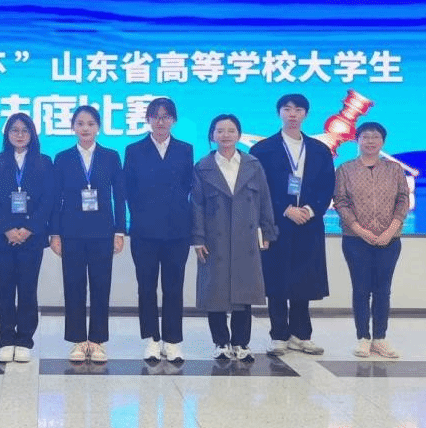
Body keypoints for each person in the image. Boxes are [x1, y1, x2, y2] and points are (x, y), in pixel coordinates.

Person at [247, 93, 335, 357]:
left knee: (303, 280)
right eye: (287, 109)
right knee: (276, 280)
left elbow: (327, 185)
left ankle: (301, 335)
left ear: (306, 114)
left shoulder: (319, 150)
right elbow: (258, 188)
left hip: (308, 223)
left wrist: (309, 209)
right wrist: (285, 209)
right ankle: (278, 335)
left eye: (298, 110)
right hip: (277, 223)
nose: (292, 114)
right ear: (279, 113)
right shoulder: (262, 150)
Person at [192, 114, 278, 363]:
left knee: (244, 291)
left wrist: (268, 230)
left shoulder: (253, 164)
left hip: (245, 236)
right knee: (215, 291)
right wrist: (198, 238)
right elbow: (196, 205)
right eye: (220, 131)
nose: (225, 135)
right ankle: (220, 342)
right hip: (214, 237)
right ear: (212, 135)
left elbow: (265, 199)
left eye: (231, 130)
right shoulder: (203, 167)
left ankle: (241, 342)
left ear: (239, 135)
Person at [49, 105, 126, 364]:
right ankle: (78, 340)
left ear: (98, 128)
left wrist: (119, 230)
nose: (85, 128)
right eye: (80, 123)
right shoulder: (62, 158)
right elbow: (55, 198)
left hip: (103, 231)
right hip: (71, 231)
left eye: (90, 124)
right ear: (73, 127)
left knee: (101, 286)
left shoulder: (111, 156)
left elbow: (120, 196)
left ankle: (98, 340)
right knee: (74, 286)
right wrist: (55, 233)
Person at [124, 97, 193, 363]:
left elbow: (187, 186)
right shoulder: (134, 150)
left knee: (174, 287)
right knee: (146, 287)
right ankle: (152, 339)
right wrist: (142, 216)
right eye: (155, 116)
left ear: (173, 120)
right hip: (144, 232)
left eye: (166, 116)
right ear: (148, 119)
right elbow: (129, 189)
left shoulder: (185, 149)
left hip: (177, 231)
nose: (160, 121)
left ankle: (173, 340)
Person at [332, 122, 409, 359]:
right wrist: (359, 229)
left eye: (375, 137)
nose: (370, 141)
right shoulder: (345, 169)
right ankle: (363, 338)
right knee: (361, 289)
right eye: (365, 137)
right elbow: (341, 201)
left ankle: (380, 339)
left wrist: (391, 230)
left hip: (389, 239)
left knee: (383, 290)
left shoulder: (394, 169)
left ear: (382, 141)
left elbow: (403, 200)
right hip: (355, 239)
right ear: (357, 141)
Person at [0, 112, 54, 364]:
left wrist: (29, 228)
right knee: (3, 288)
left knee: (27, 288)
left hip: (31, 237)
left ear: (32, 134)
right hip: (1, 236)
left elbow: (48, 199)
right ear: (7, 134)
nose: (20, 135)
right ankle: (5, 339)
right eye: (14, 130)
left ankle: (24, 339)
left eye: (25, 130)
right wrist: (7, 228)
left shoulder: (44, 162)